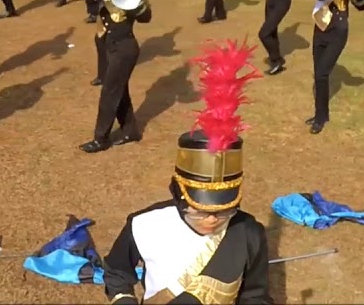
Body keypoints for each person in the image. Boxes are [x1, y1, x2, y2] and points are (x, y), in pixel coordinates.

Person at [102, 39, 270, 304]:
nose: (213, 219)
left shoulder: (249, 233)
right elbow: (116, 271)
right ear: (180, 195)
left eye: (225, 210)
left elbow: (256, 295)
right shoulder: (144, 224)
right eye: (200, 210)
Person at [82, 0, 151, 153]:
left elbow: (146, 18)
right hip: (110, 45)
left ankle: (101, 138)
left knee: (109, 92)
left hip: (125, 47)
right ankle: (131, 130)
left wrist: (139, 1)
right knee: (119, 89)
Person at [308, 0, 364, 134]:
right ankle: (322, 113)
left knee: (322, 73)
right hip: (320, 29)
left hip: (338, 32)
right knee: (319, 75)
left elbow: (362, 6)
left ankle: (319, 118)